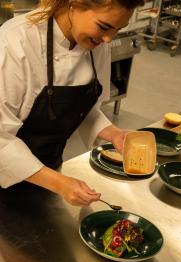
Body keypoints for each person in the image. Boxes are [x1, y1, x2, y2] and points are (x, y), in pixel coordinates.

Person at [0, 0, 144, 206]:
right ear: (73, 4)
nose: (108, 39)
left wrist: (113, 133)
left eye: (118, 29)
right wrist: (59, 183)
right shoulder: (15, 41)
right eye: (104, 27)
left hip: (49, 167)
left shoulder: (96, 43)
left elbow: (82, 109)